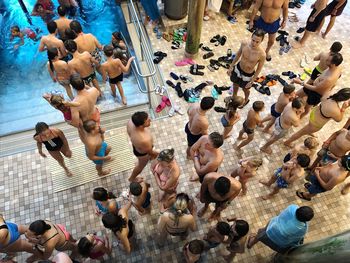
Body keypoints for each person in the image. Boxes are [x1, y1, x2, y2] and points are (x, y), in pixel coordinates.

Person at [284, 88, 350, 147]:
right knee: (301, 132)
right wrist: (343, 108)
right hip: (316, 123)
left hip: (314, 113)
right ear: (345, 99)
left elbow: (321, 98)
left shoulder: (329, 94)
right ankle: (287, 142)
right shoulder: (335, 110)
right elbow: (339, 119)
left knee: (308, 128)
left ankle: (309, 131)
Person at [293, 52, 343, 118]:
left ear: (333, 64)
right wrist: (321, 77)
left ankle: (299, 118)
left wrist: (301, 83)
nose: (326, 60)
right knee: (296, 94)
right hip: (314, 85)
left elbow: (315, 88)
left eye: (328, 60)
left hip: (316, 94)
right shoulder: (337, 68)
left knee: (307, 108)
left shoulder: (329, 79)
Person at [247, 205, 314, 253]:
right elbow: (296, 239)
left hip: (271, 228)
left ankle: (250, 244)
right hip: (279, 242)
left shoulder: (292, 207)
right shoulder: (303, 228)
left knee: (260, 234)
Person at [227, 29, 266, 106]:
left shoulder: (262, 54)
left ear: (261, 41)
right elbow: (238, 54)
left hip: (248, 74)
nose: (254, 43)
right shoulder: (244, 44)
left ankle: (246, 99)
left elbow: (259, 69)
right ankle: (234, 96)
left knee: (246, 89)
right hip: (238, 69)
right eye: (253, 40)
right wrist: (231, 66)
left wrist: (252, 81)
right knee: (235, 84)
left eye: (257, 42)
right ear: (251, 37)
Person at [127, 111, 158, 182]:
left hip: (138, 146)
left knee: (147, 151)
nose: (150, 120)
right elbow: (151, 152)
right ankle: (132, 178)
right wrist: (160, 154)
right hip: (142, 154)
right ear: (141, 125)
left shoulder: (131, 122)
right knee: (140, 166)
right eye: (147, 120)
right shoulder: (144, 140)